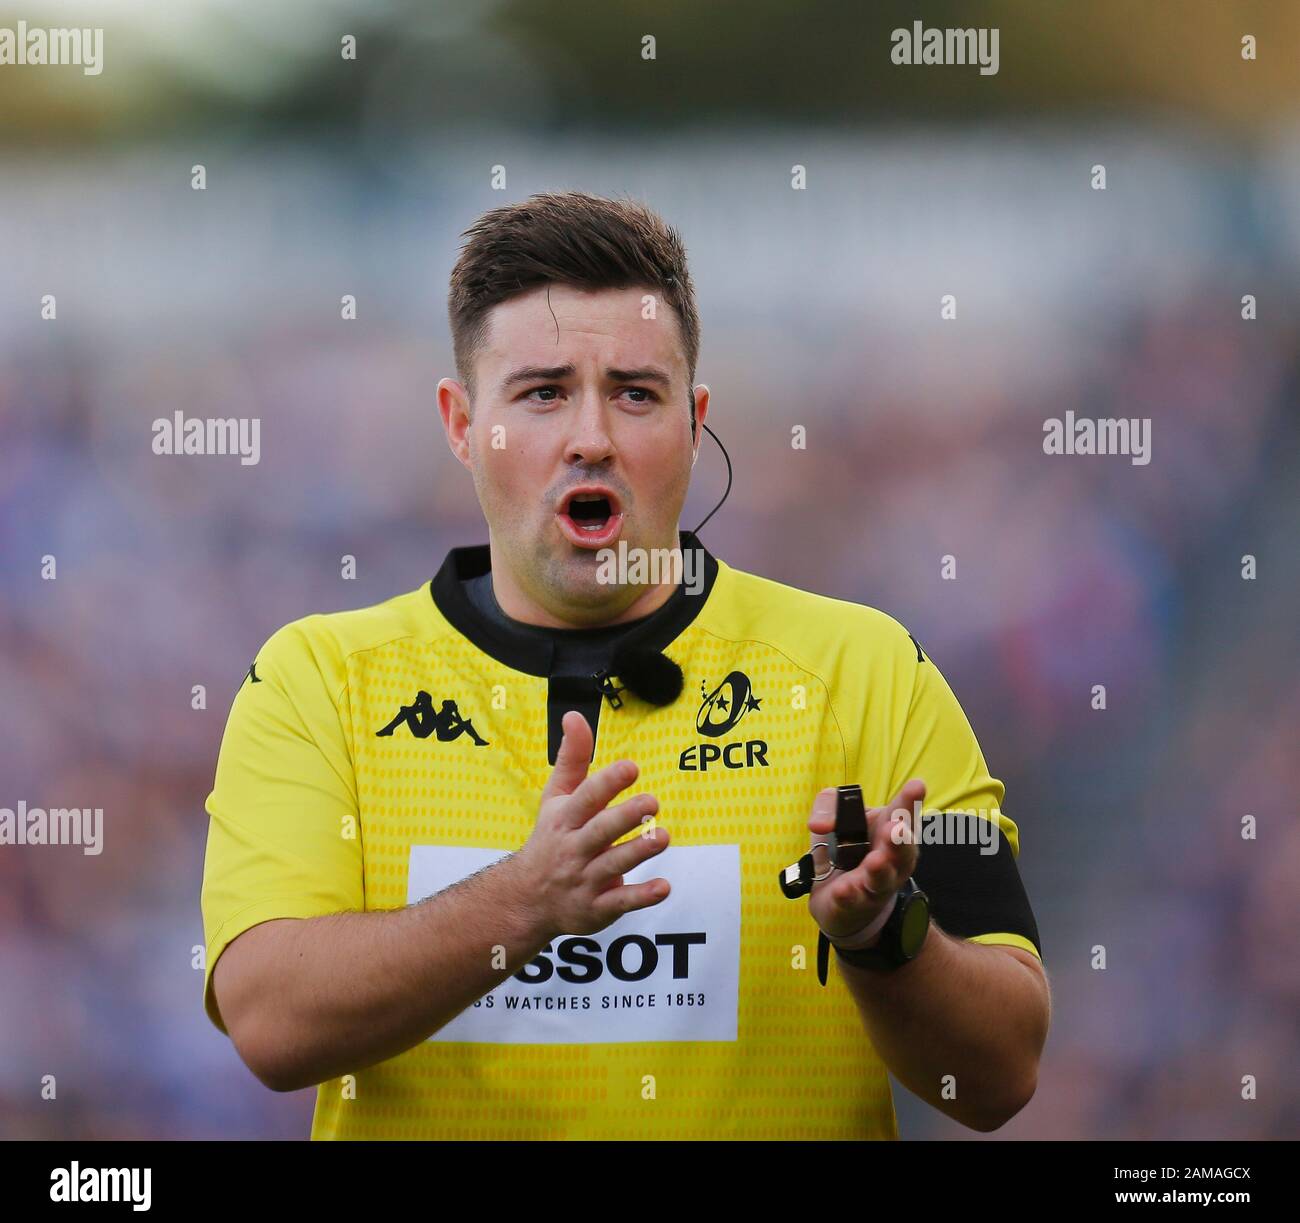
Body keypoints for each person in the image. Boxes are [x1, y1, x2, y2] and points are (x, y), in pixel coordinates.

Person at [200, 190, 1050, 1140]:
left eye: (636, 393)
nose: (592, 435)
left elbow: (1002, 1074)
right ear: (460, 421)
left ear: (695, 419)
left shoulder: (866, 670)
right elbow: (269, 1022)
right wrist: (524, 901)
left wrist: (882, 938)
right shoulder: (318, 681)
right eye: (542, 392)